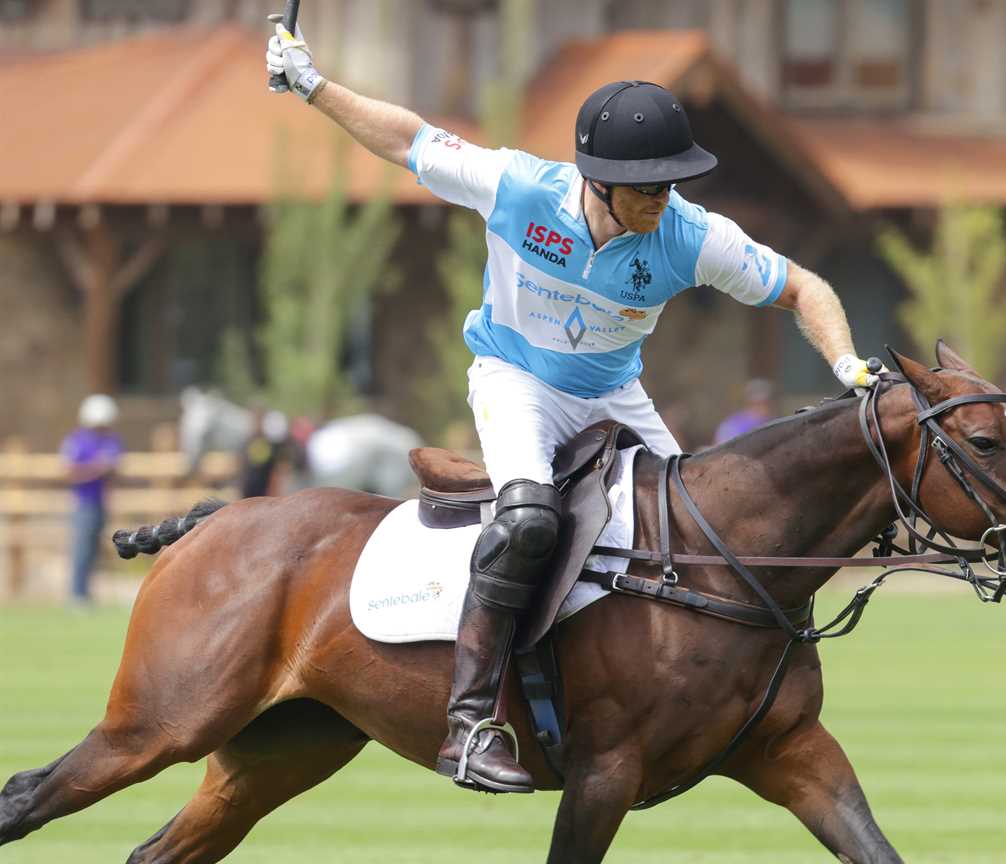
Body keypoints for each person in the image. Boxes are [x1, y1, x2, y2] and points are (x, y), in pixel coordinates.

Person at [267, 19, 879, 794]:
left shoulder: (688, 235)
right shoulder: (519, 189)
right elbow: (407, 139)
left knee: (700, 532)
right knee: (528, 519)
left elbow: (803, 288)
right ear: (598, 180)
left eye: (672, 182)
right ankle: (470, 722)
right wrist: (314, 86)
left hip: (613, 393)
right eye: (649, 185)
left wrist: (847, 362)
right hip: (515, 381)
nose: (665, 198)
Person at [60, 394, 123, 607]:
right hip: (83, 503)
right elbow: (69, 472)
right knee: (82, 548)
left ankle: (89, 594)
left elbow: (115, 468)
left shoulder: (111, 440)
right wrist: (96, 468)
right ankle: (78, 594)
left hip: (102, 503)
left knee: (97, 550)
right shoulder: (77, 440)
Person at [713, 378, 776, 445]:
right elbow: (721, 450)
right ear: (749, 403)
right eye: (758, 404)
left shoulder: (774, 423)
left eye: (766, 403)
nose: (763, 408)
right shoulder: (731, 426)